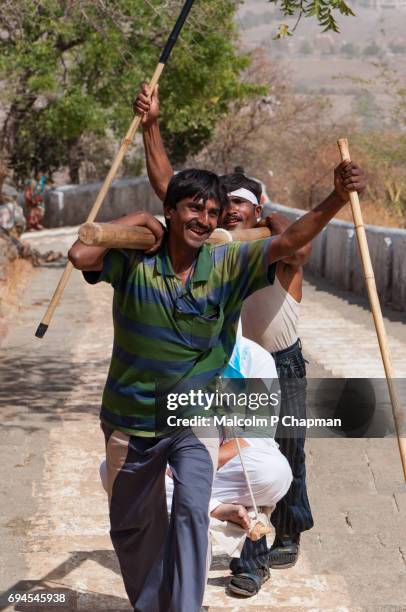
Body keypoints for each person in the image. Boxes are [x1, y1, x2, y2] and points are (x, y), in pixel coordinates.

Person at [133, 82, 366, 597]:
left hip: (276, 365)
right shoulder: (218, 249)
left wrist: (291, 213)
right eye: (223, 204)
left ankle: (271, 544)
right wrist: (151, 125)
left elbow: (297, 247)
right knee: (224, 453)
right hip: (222, 365)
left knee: (287, 456)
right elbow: (167, 186)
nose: (231, 211)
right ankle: (238, 542)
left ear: (258, 209)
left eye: (241, 203)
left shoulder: (269, 246)